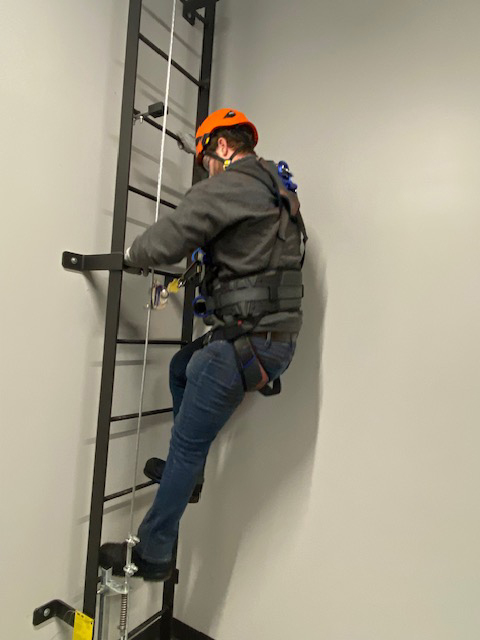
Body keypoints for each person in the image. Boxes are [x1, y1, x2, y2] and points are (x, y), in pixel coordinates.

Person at [99, 108, 306, 580]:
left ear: (222, 147)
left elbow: (168, 239)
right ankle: (186, 477)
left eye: (205, 158)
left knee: (188, 442)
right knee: (181, 368)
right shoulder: (276, 187)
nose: (205, 169)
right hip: (271, 342)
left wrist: (132, 254)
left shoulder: (232, 184)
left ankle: (152, 554)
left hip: (249, 343)